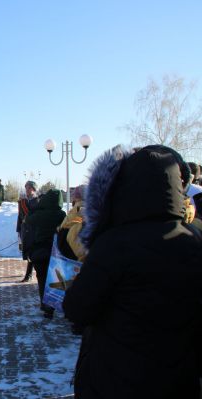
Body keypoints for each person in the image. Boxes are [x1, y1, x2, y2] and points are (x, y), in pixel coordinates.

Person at [63, 145, 202, 398]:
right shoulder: (195, 238)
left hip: (117, 379)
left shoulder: (114, 244)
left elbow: (76, 308)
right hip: (179, 381)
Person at [22, 188, 65, 318]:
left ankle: (46, 306)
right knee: (55, 279)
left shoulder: (39, 214)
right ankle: (55, 303)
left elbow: (27, 220)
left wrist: (36, 209)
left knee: (42, 278)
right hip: (56, 251)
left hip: (40, 250)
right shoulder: (61, 214)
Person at [57, 184, 87, 262]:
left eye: (74, 194)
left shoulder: (80, 207)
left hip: (72, 244)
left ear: (78, 196)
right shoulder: (80, 206)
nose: (72, 196)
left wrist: (61, 227)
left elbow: (70, 220)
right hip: (71, 242)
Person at [16, 181, 39, 282]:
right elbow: (20, 217)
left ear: (34, 189)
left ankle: (29, 275)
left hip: (34, 230)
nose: (27, 190)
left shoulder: (38, 201)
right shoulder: (23, 202)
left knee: (33, 253)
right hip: (25, 230)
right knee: (29, 253)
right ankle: (29, 274)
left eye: (29, 188)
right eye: (26, 188)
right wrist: (18, 230)